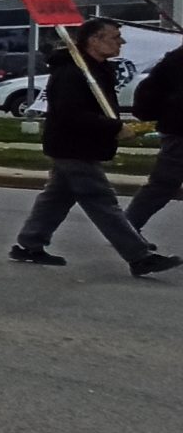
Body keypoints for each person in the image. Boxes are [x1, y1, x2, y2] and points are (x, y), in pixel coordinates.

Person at [10, 18, 179, 276]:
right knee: (101, 199)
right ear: (94, 41)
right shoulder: (71, 72)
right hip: (72, 146)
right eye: (114, 37)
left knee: (57, 197)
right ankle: (139, 256)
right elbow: (71, 114)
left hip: (78, 145)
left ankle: (30, 243)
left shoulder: (95, 69)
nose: (120, 42)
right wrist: (114, 128)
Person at [127, 40, 183, 230]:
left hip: (175, 129)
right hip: (179, 132)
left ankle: (128, 227)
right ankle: (127, 229)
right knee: (163, 184)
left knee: (162, 185)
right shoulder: (176, 62)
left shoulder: (173, 60)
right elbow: (151, 94)